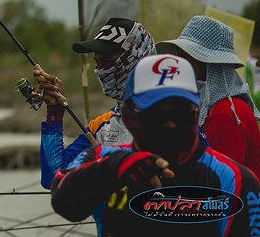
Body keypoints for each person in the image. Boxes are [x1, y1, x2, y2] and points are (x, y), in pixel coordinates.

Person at [51, 54, 260, 236]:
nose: (171, 124)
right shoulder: (104, 158)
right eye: (157, 114)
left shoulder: (236, 181)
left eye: (182, 113)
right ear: (128, 116)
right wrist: (113, 168)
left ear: (197, 113)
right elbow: (62, 199)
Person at [33, 17, 155, 188]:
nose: (101, 71)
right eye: (97, 62)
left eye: (108, 62)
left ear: (137, 59)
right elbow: (54, 178)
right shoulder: (100, 126)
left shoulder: (174, 121)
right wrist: (54, 111)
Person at [156, 15, 260, 177]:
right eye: (179, 54)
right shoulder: (214, 106)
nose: (179, 62)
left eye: (188, 56)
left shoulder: (225, 113)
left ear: (212, 65)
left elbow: (221, 184)